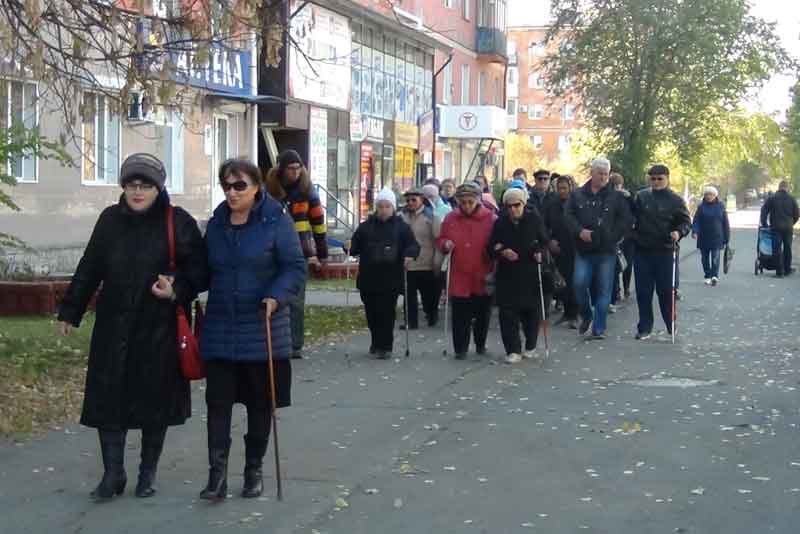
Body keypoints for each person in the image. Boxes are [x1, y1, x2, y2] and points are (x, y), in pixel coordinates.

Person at [57, 154, 207, 501]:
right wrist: (70, 310)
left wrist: (177, 289)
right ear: (123, 187)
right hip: (113, 325)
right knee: (108, 398)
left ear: (159, 188)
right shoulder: (110, 220)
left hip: (159, 328)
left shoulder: (176, 221)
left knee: (155, 402)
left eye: (145, 186)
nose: (137, 192)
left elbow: (199, 270)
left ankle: (147, 473)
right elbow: (90, 266)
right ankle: (113, 474)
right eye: (131, 185)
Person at [200, 159, 307, 500]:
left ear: (257, 186)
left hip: (262, 330)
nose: (231, 193)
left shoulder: (276, 220)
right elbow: (203, 270)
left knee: (260, 406)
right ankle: (216, 475)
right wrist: (176, 286)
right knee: (217, 406)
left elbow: (294, 267)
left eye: (239, 186)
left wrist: (275, 296)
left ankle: (253, 471)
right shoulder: (217, 223)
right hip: (220, 329)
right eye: (226, 186)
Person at [265, 149, 328, 359]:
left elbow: (318, 224)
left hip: (299, 251)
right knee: (273, 296)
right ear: (281, 169)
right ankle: (273, 340)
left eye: (298, 168)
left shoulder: (307, 192)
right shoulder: (269, 191)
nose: (295, 172)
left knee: (296, 300)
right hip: (271, 250)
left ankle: (295, 344)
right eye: (291, 168)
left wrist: (322, 253)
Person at [564, 158, 632, 339]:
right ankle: (587, 315)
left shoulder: (616, 197)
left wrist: (612, 236)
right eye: (599, 173)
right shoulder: (577, 194)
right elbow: (568, 216)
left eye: (606, 174)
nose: (603, 177)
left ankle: (598, 328)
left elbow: (625, 220)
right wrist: (579, 231)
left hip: (606, 251)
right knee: (579, 284)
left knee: (604, 290)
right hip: (583, 249)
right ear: (592, 173)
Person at [347, 189, 419, 359]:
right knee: (371, 312)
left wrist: (409, 254)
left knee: (387, 312)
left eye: (387, 206)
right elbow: (355, 246)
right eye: (380, 206)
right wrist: (348, 246)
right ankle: (375, 341)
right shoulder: (366, 227)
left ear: (393, 208)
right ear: (376, 208)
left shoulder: (401, 227)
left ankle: (385, 346)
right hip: (369, 277)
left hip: (391, 277)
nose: (384, 210)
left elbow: (413, 245)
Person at [437, 182, 498, 359]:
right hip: (459, 272)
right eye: (463, 202)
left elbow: (497, 242)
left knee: (482, 312)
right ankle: (460, 348)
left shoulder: (491, 219)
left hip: (482, 271)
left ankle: (480, 344)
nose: (467, 206)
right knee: (460, 313)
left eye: (470, 202)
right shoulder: (450, 218)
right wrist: (445, 244)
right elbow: (441, 239)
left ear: (478, 200)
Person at [488, 187, 549, 364]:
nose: (513, 209)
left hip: (529, 271)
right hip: (508, 273)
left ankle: (530, 346)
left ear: (523, 204)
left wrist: (538, 251)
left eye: (516, 205)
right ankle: (513, 349)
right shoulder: (500, 222)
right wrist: (503, 251)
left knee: (531, 311)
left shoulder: (534, 219)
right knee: (507, 313)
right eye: (509, 206)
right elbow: (491, 246)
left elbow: (544, 240)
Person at [631, 164, 691, 340]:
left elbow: (686, 222)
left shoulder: (676, 200)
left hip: (665, 251)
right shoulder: (641, 197)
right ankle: (644, 327)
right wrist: (632, 233)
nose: (656, 182)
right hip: (643, 250)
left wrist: (678, 232)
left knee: (666, 291)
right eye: (653, 178)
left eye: (660, 179)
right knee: (643, 291)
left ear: (667, 179)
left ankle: (670, 324)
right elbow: (630, 217)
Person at [400, 188, 441, 329]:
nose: (410, 203)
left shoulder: (431, 217)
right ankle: (410, 322)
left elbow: (438, 239)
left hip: (426, 262)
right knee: (408, 295)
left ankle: (431, 314)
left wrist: (437, 261)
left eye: (413, 200)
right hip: (408, 262)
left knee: (428, 295)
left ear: (422, 200)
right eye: (408, 200)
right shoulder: (402, 216)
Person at [543, 174, 578, 328]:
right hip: (558, 247)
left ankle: (574, 314)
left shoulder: (577, 203)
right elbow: (543, 224)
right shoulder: (552, 204)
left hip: (575, 248)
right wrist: (549, 240)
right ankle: (567, 312)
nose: (562, 191)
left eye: (564, 188)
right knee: (561, 282)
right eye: (559, 188)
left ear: (571, 187)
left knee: (574, 282)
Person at [692, 185, 730, 286]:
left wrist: (727, 238)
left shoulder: (721, 206)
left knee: (715, 258)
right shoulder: (701, 207)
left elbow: (725, 223)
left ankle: (714, 276)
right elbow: (696, 221)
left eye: (711, 194)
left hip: (717, 237)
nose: (709, 196)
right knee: (704, 258)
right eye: (707, 194)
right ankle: (707, 276)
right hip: (704, 237)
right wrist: (695, 232)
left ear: (715, 195)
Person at [760, 180, 799, 277]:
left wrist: (764, 223)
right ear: (787, 188)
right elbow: (797, 214)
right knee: (787, 248)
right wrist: (792, 223)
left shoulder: (772, 198)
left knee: (776, 248)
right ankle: (787, 269)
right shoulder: (791, 199)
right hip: (788, 227)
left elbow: (764, 210)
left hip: (776, 227)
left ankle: (779, 271)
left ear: (779, 187)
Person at [609, 172, 635, 310]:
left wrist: (629, 198)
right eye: (614, 185)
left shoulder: (627, 196)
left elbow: (634, 212)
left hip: (628, 237)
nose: (616, 188)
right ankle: (617, 290)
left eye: (618, 185)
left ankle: (625, 288)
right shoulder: (609, 197)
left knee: (627, 264)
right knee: (615, 265)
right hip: (616, 237)